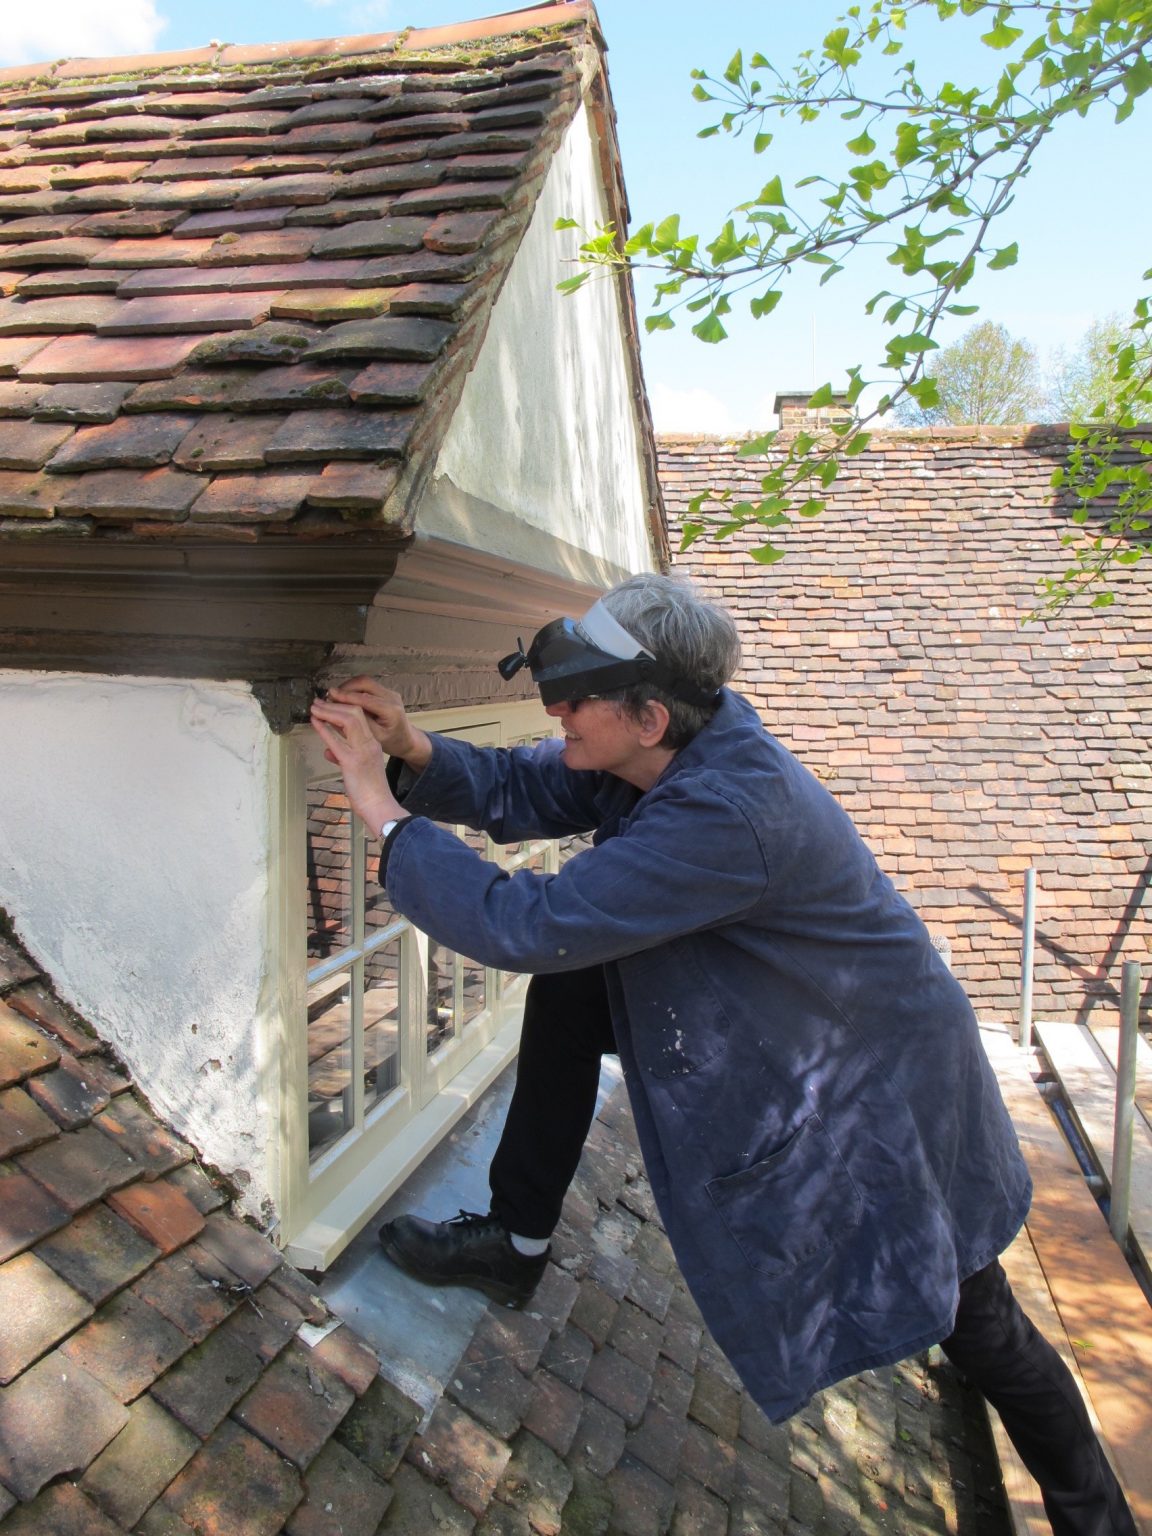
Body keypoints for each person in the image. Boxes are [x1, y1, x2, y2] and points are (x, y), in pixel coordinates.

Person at [310, 572, 1136, 1536]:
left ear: (649, 717)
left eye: (573, 699)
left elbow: (527, 922)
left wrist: (383, 808)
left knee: (975, 1317)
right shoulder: (671, 740)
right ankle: (514, 1240)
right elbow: (536, 782)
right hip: (789, 1014)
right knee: (574, 995)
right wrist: (411, 745)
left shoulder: (728, 814)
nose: (555, 713)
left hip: (881, 1082)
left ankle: (1097, 1519)